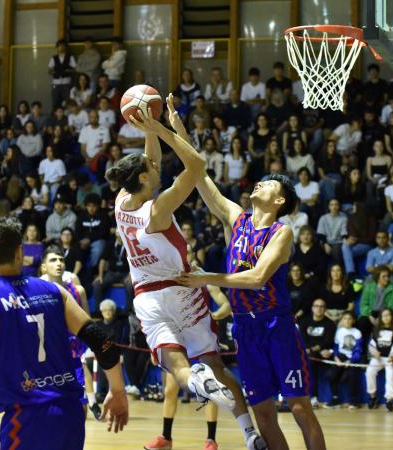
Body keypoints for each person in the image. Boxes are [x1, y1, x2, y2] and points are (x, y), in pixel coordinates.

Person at [108, 97, 265, 449]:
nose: (156, 168)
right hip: (183, 290)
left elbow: (150, 161)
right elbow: (196, 166)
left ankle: (196, 383)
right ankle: (249, 433)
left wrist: (148, 130)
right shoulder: (158, 209)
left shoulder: (121, 200)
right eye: (151, 169)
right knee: (218, 367)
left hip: (147, 298)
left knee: (178, 368)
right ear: (145, 178)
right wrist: (161, 128)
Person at [176, 96, 326, 448]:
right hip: (244, 326)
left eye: (268, 185)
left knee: (300, 407)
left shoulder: (282, 232)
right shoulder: (236, 218)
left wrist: (206, 278)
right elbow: (198, 173)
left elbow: (258, 278)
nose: (258, 184)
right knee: (262, 414)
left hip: (276, 322)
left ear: (279, 202)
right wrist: (176, 128)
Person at [0, 217, 129, 449]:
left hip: (26, 418)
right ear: (20, 251)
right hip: (71, 416)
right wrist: (118, 390)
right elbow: (102, 341)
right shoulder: (55, 291)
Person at [39, 246, 102, 419]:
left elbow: (87, 322)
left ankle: (92, 402)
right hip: (47, 353)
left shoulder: (77, 290)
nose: (58, 263)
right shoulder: (36, 292)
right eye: (53, 260)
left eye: (61, 260)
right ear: (44, 267)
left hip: (73, 349)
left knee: (78, 402)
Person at [297, 298, 335, 407]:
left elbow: (328, 341)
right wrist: (308, 349)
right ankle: (306, 397)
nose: (319, 309)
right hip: (307, 352)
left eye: (321, 306)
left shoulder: (330, 324)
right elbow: (302, 339)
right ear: (312, 308)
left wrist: (313, 349)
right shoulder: (304, 322)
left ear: (325, 309)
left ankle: (325, 397)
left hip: (323, 353)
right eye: (316, 306)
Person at [365, 307, 393, 411]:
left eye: (388, 315)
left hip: (391, 359)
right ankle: (373, 397)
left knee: (390, 375)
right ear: (380, 318)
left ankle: (389, 400)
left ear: (392, 317)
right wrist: (374, 352)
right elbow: (371, 345)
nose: (386, 317)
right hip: (378, 358)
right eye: (383, 315)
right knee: (369, 372)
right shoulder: (376, 330)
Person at [325, 311, 363, 409]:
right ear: (342, 320)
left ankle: (353, 401)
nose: (347, 321)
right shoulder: (339, 331)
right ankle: (335, 398)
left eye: (349, 318)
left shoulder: (357, 332)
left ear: (353, 321)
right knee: (330, 375)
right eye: (345, 318)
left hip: (352, 359)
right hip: (340, 357)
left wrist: (351, 360)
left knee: (352, 376)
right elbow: (336, 347)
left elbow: (358, 350)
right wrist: (336, 357)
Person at [357, 267, 393, 342]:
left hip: (385, 313)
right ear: (377, 277)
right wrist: (370, 316)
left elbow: (392, 307)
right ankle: (362, 350)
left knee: (386, 323)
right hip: (370, 312)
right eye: (384, 276)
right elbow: (363, 305)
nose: (387, 278)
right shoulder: (369, 287)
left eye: (388, 276)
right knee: (362, 322)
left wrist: (381, 318)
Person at [48, 40, 76, 109]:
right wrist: (57, 72)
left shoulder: (70, 57)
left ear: (66, 47)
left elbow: (75, 69)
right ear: (57, 48)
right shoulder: (54, 58)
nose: (61, 48)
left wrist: (67, 71)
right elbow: (49, 70)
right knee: (55, 101)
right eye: (59, 46)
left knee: (67, 101)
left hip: (66, 82)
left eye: (63, 46)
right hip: (56, 83)